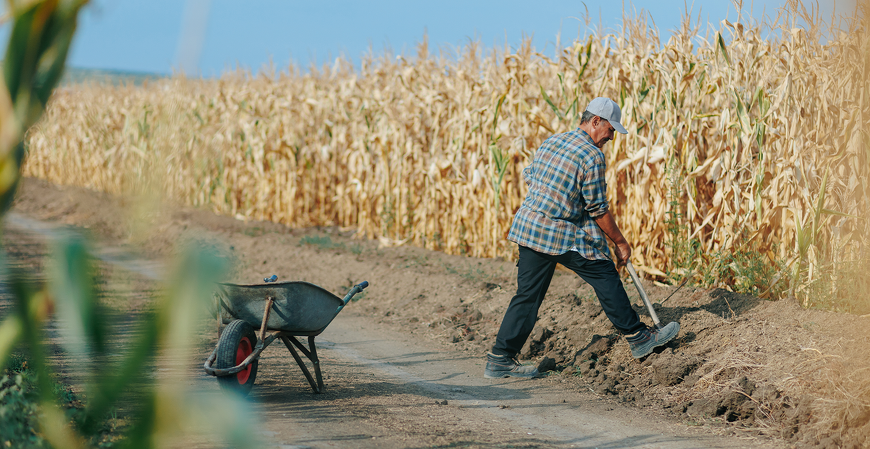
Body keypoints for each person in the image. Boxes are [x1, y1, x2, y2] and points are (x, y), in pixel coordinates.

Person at [484, 97, 680, 379]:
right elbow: (598, 209)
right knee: (604, 272)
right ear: (595, 121)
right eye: (611, 130)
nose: (611, 137)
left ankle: (500, 358)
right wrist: (620, 243)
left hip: (528, 227)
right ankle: (638, 337)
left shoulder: (552, 142)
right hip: (555, 232)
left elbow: (531, 176)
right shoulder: (591, 156)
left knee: (527, 296)